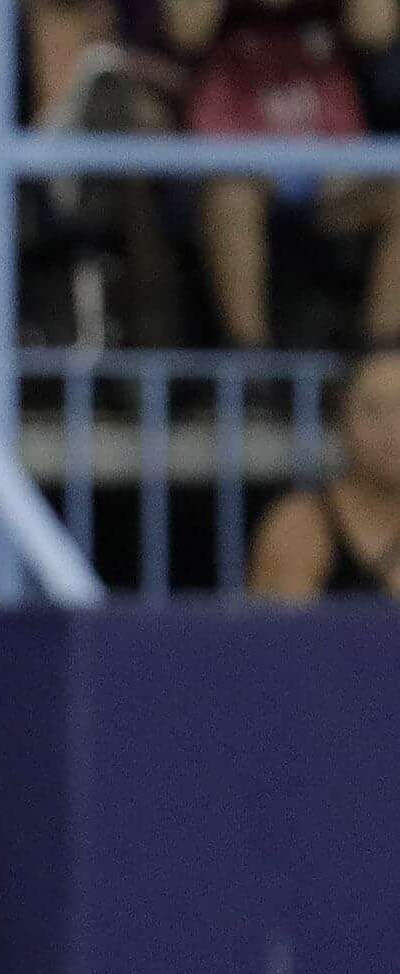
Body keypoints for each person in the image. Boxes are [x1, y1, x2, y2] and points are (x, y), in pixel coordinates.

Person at [172, 0, 400, 352]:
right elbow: (186, 30)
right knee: (232, 196)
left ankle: (379, 359)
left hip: (333, 161)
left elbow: (376, 29)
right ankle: (253, 370)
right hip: (235, 154)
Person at [250, 342, 400, 596]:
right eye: (374, 411)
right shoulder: (300, 523)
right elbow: (276, 633)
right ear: (342, 422)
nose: (392, 428)